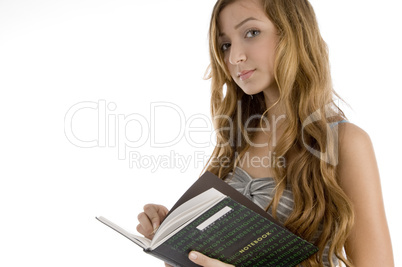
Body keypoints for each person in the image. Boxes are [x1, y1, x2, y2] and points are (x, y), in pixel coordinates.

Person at [136, 0, 394, 266]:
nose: (234, 57)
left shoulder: (344, 142)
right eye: (225, 45)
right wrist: (175, 243)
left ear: (293, 32)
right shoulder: (236, 139)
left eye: (251, 33)